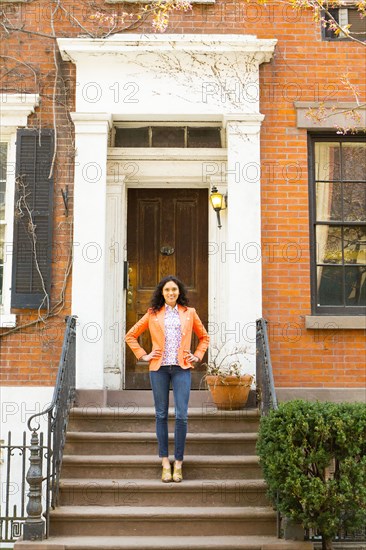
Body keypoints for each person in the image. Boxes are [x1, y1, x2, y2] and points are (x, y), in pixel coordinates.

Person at [125, 275, 209, 483]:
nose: (171, 293)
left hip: (181, 369)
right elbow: (130, 335)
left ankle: (178, 463)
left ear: (179, 292)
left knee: (181, 415)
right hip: (159, 369)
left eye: (174, 290)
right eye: (167, 290)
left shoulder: (190, 313)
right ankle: (164, 462)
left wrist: (197, 355)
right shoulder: (153, 314)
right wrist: (143, 355)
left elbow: (204, 337)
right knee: (161, 415)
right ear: (162, 293)